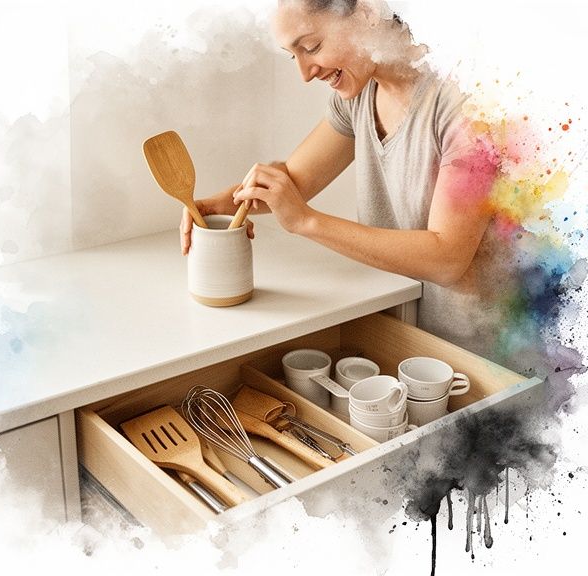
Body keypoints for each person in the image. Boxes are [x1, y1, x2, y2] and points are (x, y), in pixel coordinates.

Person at [180, 0, 504, 356]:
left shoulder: (470, 104)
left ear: (367, 12)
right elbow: (292, 181)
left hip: (483, 353)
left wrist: (306, 221)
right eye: (294, 55)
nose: (305, 73)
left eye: (312, 47)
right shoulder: (360, 93)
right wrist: (215, 206)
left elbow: (448, 259)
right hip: (402, 333)